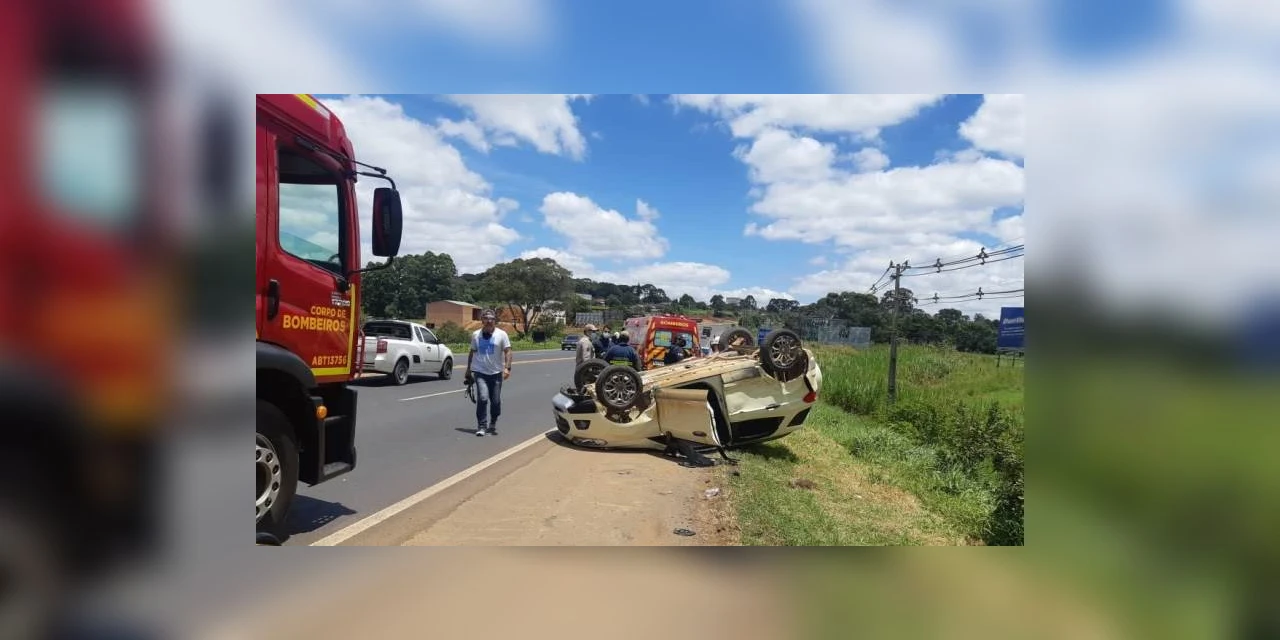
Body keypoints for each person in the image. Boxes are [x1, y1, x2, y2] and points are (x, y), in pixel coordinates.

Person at [463, 309, 512, 437]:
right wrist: (468, 369)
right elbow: (472, 352)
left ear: (495, 321)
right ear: (482, 321)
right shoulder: (475, 335)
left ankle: (493, 421)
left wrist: (507, 368)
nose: (489, 321)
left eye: (491, 319)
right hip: (480, 373)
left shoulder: (502, 334)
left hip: (496, 373)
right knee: (483, 398)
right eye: (486, 319)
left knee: (495, 402)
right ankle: (482, 426)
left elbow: (508, 351)